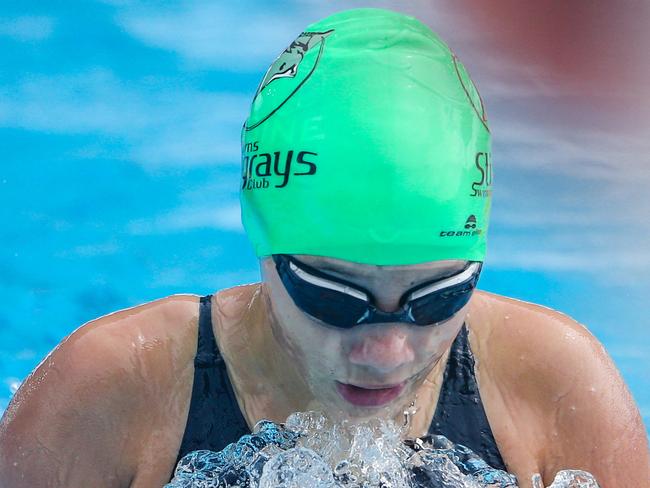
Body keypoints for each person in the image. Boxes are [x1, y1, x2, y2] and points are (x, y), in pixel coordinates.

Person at [1, 7, 648, 488]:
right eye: (335, 297)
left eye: (436, 298)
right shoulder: (118, 389)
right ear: (265, 245)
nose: (386, 352)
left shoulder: (553, 382)